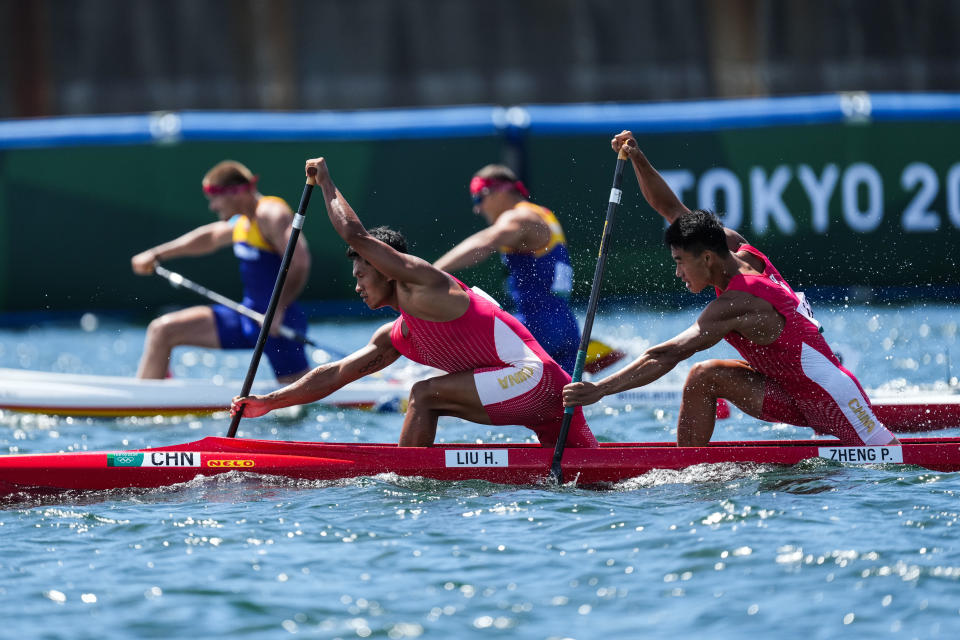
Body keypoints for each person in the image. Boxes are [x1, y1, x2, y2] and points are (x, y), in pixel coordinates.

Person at [231, 157, 597, 449]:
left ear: (385, 268)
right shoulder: (398, 334)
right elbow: (337, 373)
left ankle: (402, 479)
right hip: (545, 390)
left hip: (535, 381)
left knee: (424, 394)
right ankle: (411, 469)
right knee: (595, 473)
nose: (357, 287)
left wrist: (326, 181)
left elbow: (354, 234)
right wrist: (270, 402)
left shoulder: (425, 286)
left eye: (361, 276)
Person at [562, 131, 898, 447]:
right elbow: (671, 210)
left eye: (680, 262)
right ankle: (689, 475)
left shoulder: (739, 301)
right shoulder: (734, 248)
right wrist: (637, 158)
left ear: (707, 258)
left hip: (831, 397)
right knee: (704, 377)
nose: (677, 272)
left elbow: (668, 354)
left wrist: (599, 389)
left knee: (890, 462)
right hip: (788, 391)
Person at [130, 160, 311, 383]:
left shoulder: (271, 214)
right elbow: (208, 238)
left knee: (299, 397)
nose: (212, 206)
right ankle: (147, 398)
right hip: (248, 317)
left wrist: (277, 311)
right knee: (162, 330)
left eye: (215, 198)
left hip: (277, 324)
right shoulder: (243, 222)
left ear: (236, 192)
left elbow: (300, 262)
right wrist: (156, 254)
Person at [433, 164, 581, 373]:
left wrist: (430, 271)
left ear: (498, 192)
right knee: (562, 401)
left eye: (478, 199)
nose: (478, 209)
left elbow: (484, 242)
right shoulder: (544, 215)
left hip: (536, 328)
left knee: (457, 366)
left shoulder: (519, 218)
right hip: (567, 329)